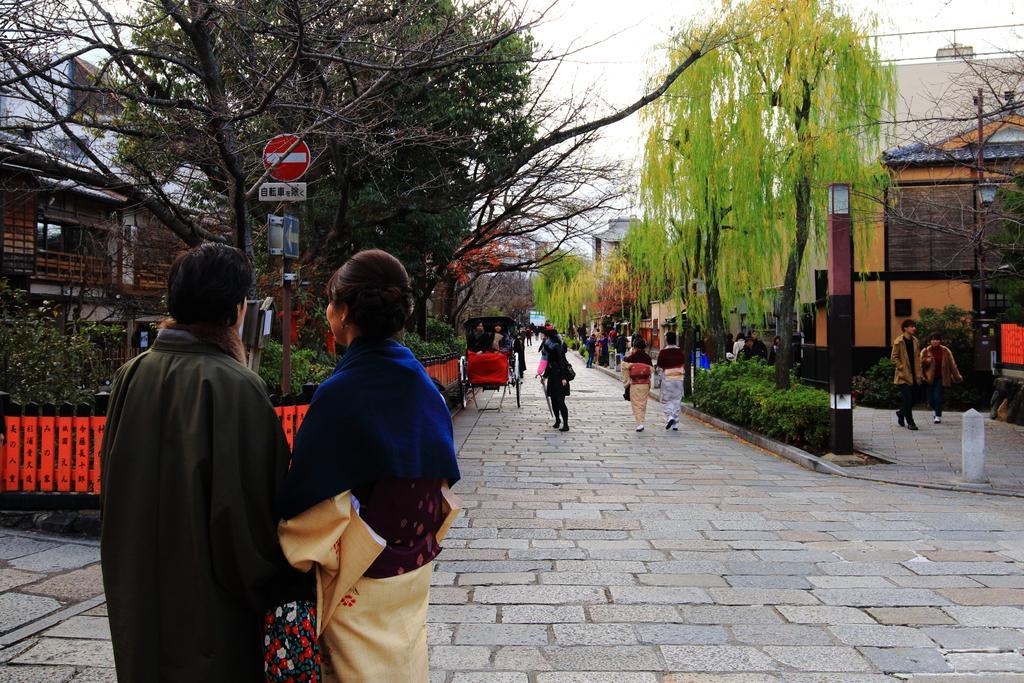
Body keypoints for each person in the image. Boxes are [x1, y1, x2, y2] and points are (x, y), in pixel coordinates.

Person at [100, 243, 306, 681]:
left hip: (138, 594)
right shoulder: (237, 386)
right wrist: (277, 582)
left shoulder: (131, 375)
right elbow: (250, 517)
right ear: (235, 310)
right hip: (212, 610)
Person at [277, 250, 462, 682]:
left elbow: (307, 508)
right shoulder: (428, 388)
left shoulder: (339, 394)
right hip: (412, 568)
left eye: (330, 303)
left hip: (357, 576)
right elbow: (440, 476)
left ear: (343, 314)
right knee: (405, 663)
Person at [920, 332, 962, 424]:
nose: (935, 341)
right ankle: (935, 411)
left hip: (940, 377)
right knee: (930, 400)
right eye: (933, 339)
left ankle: (938, 415)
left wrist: (957, 376)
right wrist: (927, 361)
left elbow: (952, 365)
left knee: (938, 397)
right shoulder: (926, 351)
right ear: (930, 341)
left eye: (937, 339)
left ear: (940, 341)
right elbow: (920, 365)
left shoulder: (945, 351)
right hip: (929, 378)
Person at [891, 318, 924, 431]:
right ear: (905, 328)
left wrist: (920, 371)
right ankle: (911, 422)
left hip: (915, 374)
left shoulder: (915, 341)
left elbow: (917, 357)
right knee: (908, 399)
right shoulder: (898, 341)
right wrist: (901, 367)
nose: (914, 328)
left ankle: (901, 413)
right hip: (903, 375)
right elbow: (894, 357)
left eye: (914, 326)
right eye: (911, 326)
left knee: (914, 399)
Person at [541, 327, 571, 431]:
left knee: (560, 400)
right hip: (553, 376)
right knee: (553, 400)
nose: (543, 337)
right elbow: (549, 363)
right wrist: (544, 376)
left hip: (560, 376)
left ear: (549, 337)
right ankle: (557, 420)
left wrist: (563, 378)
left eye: (545, 336)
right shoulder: (549, 347)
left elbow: (562, 362)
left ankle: (566, 424)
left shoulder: (558, 346)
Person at [656, 331, 686, 430]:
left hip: (668, 377)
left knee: (666, 400)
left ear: (666, 339)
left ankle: (670, 416)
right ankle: (675, 423)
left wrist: (660, 376)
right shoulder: (680, 351)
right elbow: (683, 362)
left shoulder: (663, 352)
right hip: (679, 378)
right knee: (677, 400)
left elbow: (659, 365)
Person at [622, 338, 654, 432]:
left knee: (636, 404)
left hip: (635, 384)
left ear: (635, 347)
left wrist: (626, 382)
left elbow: (624, 368)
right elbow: (651, 370)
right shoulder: (647, 358)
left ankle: (639, 423)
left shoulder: (631, 357)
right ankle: (641, 421)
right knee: (643, 403)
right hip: (645, 384)